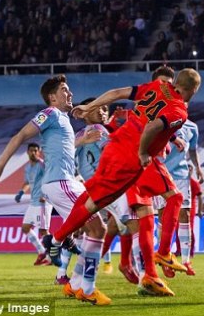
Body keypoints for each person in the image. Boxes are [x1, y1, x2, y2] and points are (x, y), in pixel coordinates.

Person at [44, 67, 201, 297]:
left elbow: (118, 92)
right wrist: (144, 152)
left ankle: (145, 274)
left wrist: (90, 106)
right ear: (192, 90)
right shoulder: (178, 109)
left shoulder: (158, 88)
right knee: (103, 212)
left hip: (117, 147)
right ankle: (63, 247)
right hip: (130, 159)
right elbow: (153, 126)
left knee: (123, 215)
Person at [0, 74, 111, 306]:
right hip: (60, 183)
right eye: (64, 90)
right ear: (52, 98)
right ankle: (85, 286)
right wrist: (1, 163)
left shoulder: (63, 120)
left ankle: (72, 281)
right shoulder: (50, 114)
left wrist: (81, 141)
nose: (70, 94)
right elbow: (21, 135)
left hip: (63, 182)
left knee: (87, 231)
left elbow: (60, 151)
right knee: (98, 228)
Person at [74, 97, 139, 285]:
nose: (103, 112)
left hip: (92, 187)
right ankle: (145, 275)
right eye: (98, 109)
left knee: (104, 230)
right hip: (107, 186)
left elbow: (71, 157)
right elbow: (112, 151)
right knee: (137, 222)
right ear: (85, 113)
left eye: (105, 109)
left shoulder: (81, 134)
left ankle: (77, 279)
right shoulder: (99, 131)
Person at [154, 118, 204, 277]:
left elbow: (193, 150)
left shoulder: (192, 127)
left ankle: (186, 261)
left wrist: (198, 168)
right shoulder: (160, 122)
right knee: (163, 215)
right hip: (160, 172)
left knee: (185, 214)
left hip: (181, 176)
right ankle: (165, 257)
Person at [14, 143, 53, 265]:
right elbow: (27, 182)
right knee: (25, 228)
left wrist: (46, 194)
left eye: (36, 151)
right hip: (33, 202)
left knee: (43, 231)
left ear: (39, 152)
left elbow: (51, 178)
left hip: (43, 202)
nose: (34, 153)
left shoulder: (42, 165)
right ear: (27, 152)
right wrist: (21, 191)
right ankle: (42, 251)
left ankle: (52, 258)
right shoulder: (27, 167)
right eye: (31, 151)